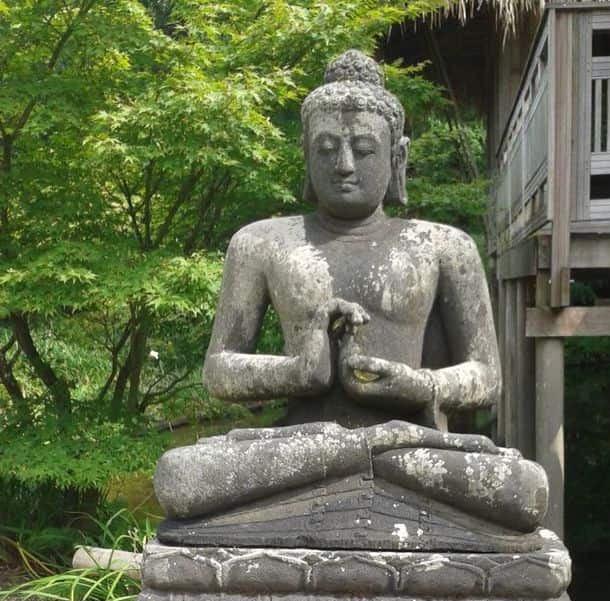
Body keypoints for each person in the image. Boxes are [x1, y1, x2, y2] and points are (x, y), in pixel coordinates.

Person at [154, 50, 548, 536]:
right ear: (305, 153)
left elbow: (486, 377)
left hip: (407, 443)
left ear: (397, 156)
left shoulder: (442, 246)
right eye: (325, 149)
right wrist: (299, 370)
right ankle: (361, 469)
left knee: (523, 488)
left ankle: (349, 474)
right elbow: (219, 370)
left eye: (363, 150)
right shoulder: (261, 243)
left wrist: (418, 385)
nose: (343, 165)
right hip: (302, 445)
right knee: (180, 477)